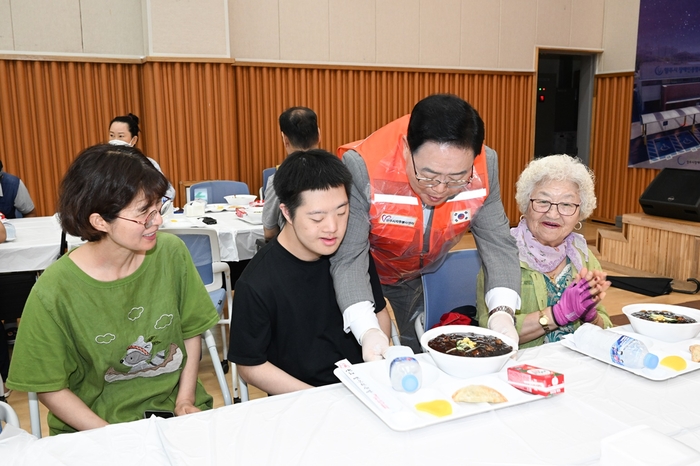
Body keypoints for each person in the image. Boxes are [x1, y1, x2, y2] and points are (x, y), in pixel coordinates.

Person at [6, 144, 219, 435]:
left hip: (176, 417)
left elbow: (191, 331)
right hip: (96, 429)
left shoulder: (171, 253)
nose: (157, 221)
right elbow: (50, 388)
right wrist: (113, 437)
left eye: (159, 207)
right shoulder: (54, 291)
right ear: (99, 221)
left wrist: (184, 400)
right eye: (144, 212)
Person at [332, 94, 521, 356]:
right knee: (363, 349)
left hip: (422, 275)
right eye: (428, 176)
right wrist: (368, 330)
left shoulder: (486, 164)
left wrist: (502, 312)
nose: (440, 190)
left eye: (457, 179)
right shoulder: (363, 166)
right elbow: (349, 257)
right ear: (406, 148)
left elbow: (498, 243)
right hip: (367, 270)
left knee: (418, 354)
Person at [228, 150, 390, 394]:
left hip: (363, 386)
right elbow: (250, 366)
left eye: (342, 212)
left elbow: (379, 312)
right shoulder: (256, 282)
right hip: (302, 399)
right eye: (317, 218)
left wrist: (375, 359)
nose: (333, 228)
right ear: (286, 213)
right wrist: (317, 397)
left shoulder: (352, 254)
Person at [477, 155, 612, 348]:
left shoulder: (583, 258)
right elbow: (490, 334)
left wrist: (591, 317)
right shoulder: (501, 255)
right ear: (526, 204)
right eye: (542, 201)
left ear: (580, 213)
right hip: (521, 367)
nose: (553, 213)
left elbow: (606, 329)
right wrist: (557, 314)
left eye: (566, 205)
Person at [262, 106, 321, 241]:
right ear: (319, 134)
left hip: (297, 255)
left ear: (285, 140)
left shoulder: (279, 178)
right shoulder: (340, 173)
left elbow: (269, 232)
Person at [108, 113, 176, 200]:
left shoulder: (146, 163)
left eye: (121, 136)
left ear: (133, 140)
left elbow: (168, 193)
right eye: (112, 135)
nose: (115, 140)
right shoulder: (99, 163)